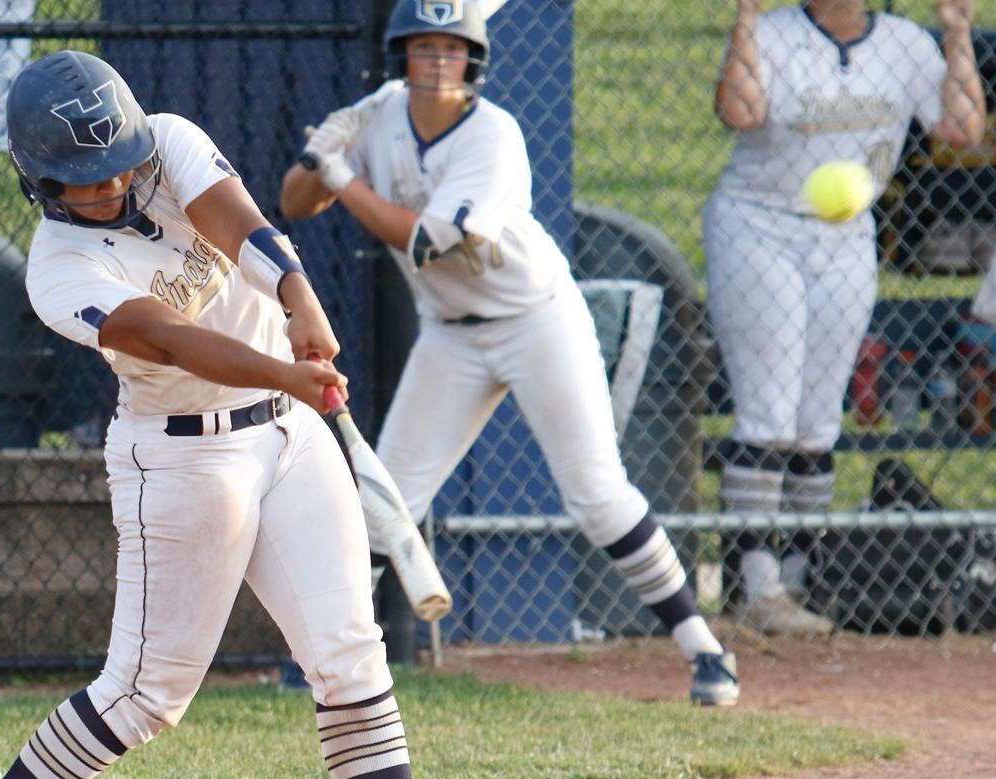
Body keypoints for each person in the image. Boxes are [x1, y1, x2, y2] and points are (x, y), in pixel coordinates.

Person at [0, 50, 493, 779]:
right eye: (86, 180)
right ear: (41, 183)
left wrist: (298, 299)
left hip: (289, 438)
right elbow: (172, 337)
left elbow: (242, 225)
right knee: (145, 696)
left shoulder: (171, 142)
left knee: (348, 653)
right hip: (180, 457)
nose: (111, 186)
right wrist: (284, 370)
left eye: (119, 166)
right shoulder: (61, 270)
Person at [280, 0, 740, 708]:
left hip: (535, 318)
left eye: (451, 50)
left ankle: (704, 650)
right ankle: (323, 660)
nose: (436, 64)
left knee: (596, 491)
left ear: (474, 61)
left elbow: (429, 241)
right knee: (387, 497)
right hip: (449, 332)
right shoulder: (379, 117)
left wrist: (344, 180)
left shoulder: (494, 134)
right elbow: (294, 204)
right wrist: (322, 158)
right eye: (422, 48)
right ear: (400, 55)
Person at [705, 0, 984, 635]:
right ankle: (758, 589)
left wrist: (958, 34)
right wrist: (745, 19)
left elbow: (962, 128)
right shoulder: (775, 34)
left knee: (817, 421)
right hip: (758, 228)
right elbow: (740, 112)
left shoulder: (904, 43)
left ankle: (798, 586)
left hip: (846, 236)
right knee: (767, 412)